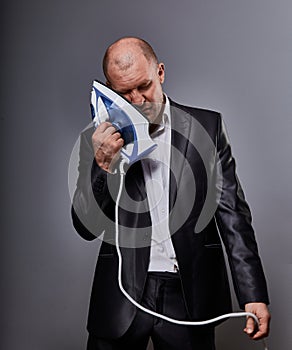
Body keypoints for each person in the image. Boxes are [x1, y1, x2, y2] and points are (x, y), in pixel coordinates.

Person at [71, 37, 271, 350]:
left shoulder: (207, 126)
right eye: (124, 92)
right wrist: (104, 166)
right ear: (109, 89)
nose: (138, 100)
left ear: (160, 72)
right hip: (122, 297)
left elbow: (233, 215)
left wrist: (253, 294)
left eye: (144, 86)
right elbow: (84, 227)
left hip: (189, 295)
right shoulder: (97, 139)